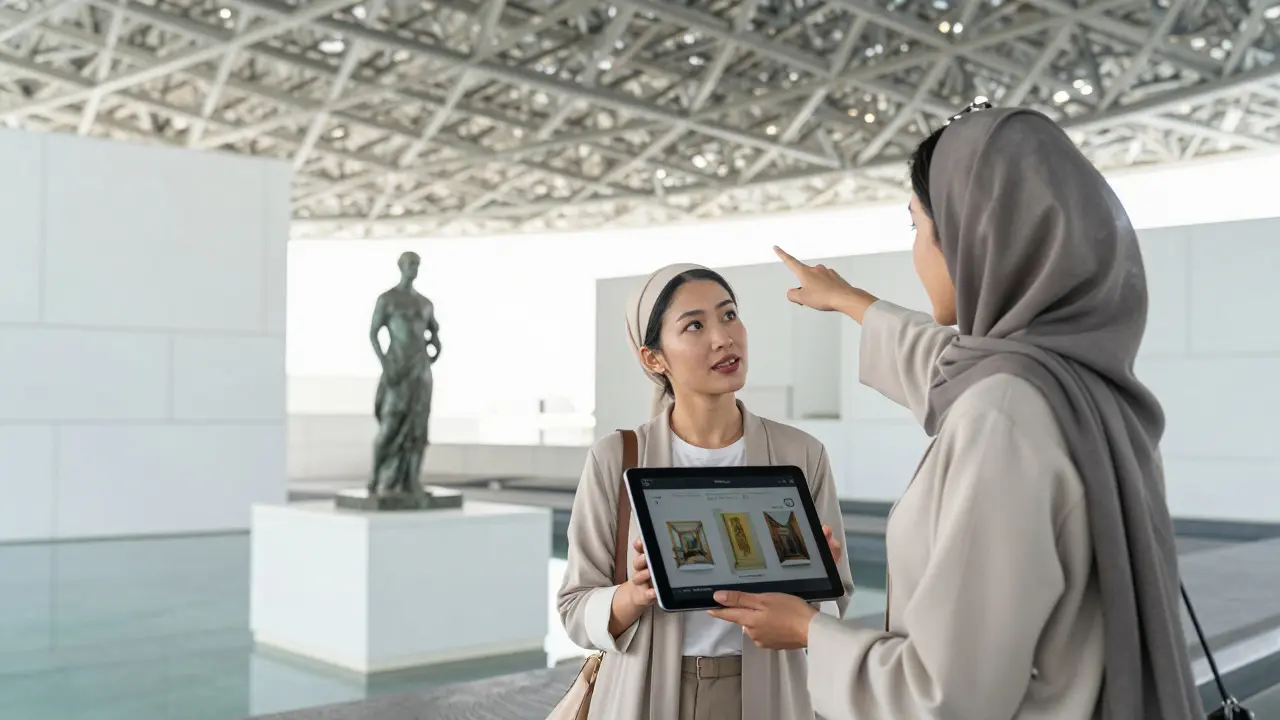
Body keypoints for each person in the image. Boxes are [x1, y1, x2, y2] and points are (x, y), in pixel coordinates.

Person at [708, 107, 1201, 719]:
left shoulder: (1003, 417)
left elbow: (945, 696)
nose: (915, 251)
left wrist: (809, 631)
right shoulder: (1079, 384)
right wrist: (849, 301)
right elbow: (951, 365)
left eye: (915, 226)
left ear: (971, 234)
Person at [557, 264, 855, 720]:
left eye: (729, 315)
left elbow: (834, 608)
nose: (723, 338)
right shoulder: (616, 458)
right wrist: (635, 593)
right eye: (695, 325)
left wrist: (815, 585)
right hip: (647, 693)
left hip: (771, 692)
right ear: (653, 358)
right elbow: (576, 609)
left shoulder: (801, 454)